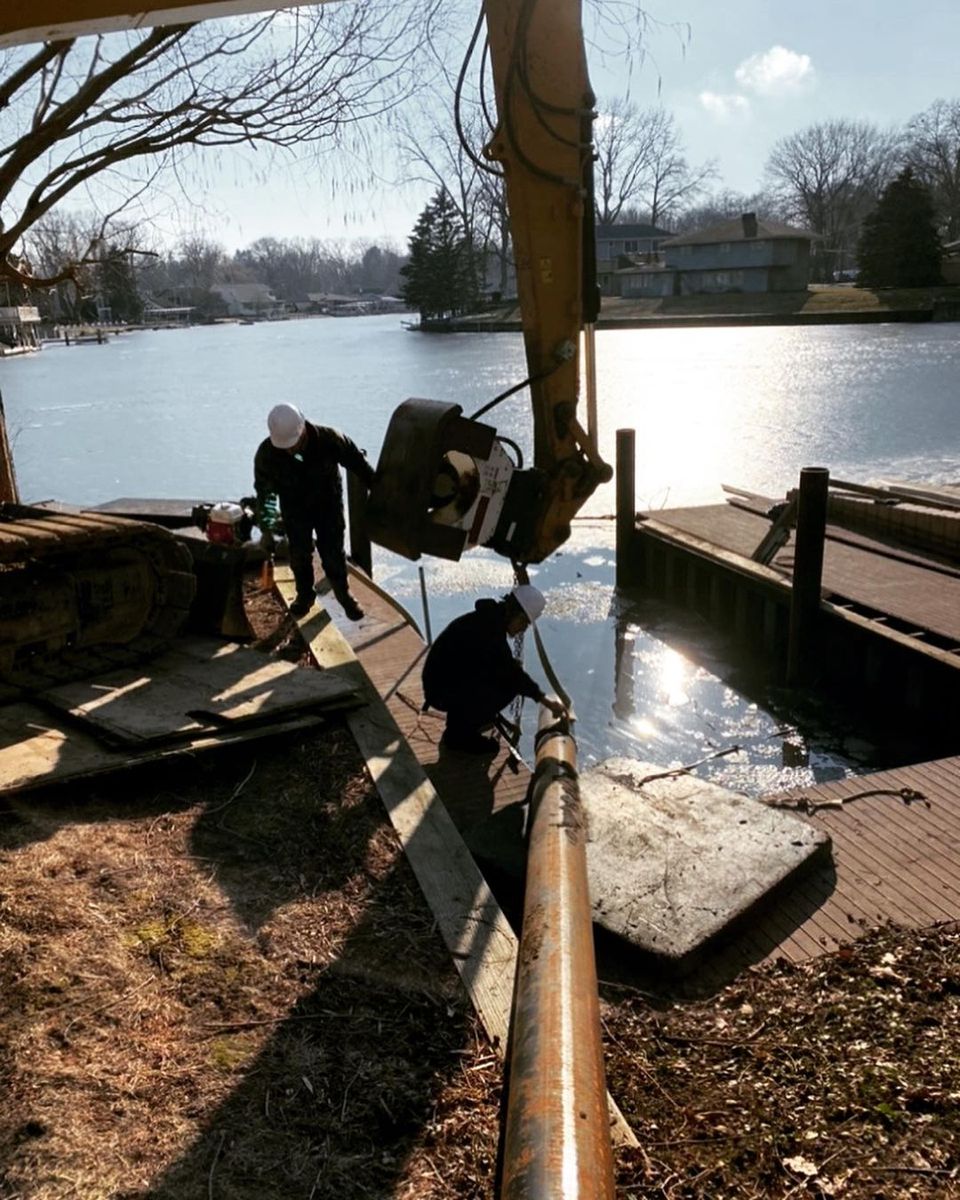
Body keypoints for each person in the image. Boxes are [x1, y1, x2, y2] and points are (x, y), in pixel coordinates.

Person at [254, 403, 375, 621]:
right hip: (294, 507)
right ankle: (304, 596)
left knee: (332, 551)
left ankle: (343, 594)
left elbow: (359, 465)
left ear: (302, 430)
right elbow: (265, 493)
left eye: (293, 444)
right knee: (299, 553)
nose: (290, 450)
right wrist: (268, 526)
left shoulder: (330, 440)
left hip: (327, 503)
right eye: (285, 447)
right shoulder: (267, 454)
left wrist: (380, 492)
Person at [422, 584, 566, 754]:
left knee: (501, 677)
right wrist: (545, 701)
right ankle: (458, 736)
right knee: (508, 687)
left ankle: (462, 722)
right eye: (525, 624)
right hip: (441, 691)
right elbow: (513, 676)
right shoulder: (491, 634)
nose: (523, 630)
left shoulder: (487, 620)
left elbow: (502, 666)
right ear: (518, 617)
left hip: (442, 681)